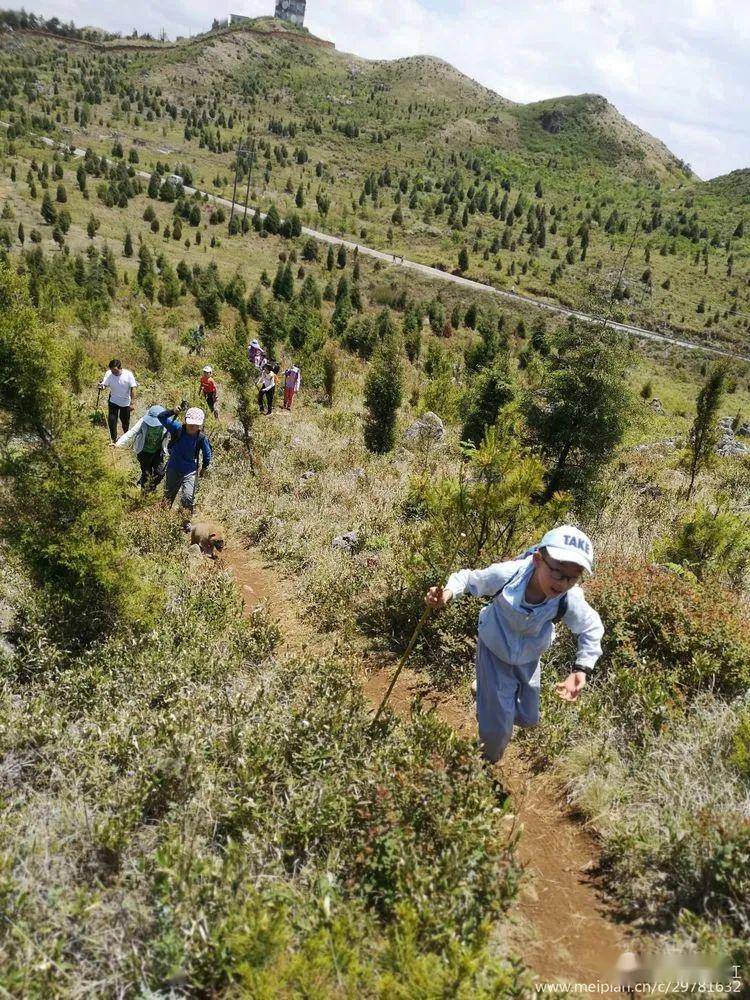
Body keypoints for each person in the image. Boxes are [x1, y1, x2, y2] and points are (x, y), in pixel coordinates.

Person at [425, 525, 603, 764]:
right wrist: (446, 594)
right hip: (494, 651)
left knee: (529, 718)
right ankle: (483, 767)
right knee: (498, 730)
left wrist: (581, 669)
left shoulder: (568, 599)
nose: (563, 583)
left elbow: (591, 628)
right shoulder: (509, 575)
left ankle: (483, 691)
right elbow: (467, 579)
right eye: (558, 573)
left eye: (572, 578)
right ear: (538, 560)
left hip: (528, 658)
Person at [157, 404, 212, 527]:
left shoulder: (201, 438)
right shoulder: (177, 429)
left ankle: (185, 522)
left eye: (196, 424)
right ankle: (162, 521)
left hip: (190, 471)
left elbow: (207, 454)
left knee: (188, 497)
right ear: (185, 421)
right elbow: (161, 417)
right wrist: (172, 411)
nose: (193, 426)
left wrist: (204, 468)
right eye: (191, 423)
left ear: (200, 425)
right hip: (173, 468)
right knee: (168, 496)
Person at [115, 404, 170, 491]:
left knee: (160, 473)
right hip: (143, 452)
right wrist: (118, 444)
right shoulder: (143, 422)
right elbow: (131, 432)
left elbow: (176, 433)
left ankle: (151, 488)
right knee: (146, 474)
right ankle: (144, 495)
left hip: (157, 452)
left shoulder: (166, 424)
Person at [99, 359, 138, 442]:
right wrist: (101, 387)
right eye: (112, 370)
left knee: (125, 422)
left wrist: (132, 403)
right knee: (112, 421)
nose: (113, 373)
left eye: (115, 371)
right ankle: (113, 439)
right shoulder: (109, 373)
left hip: (125, 403)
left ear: (120, 368)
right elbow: (104, 384)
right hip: (113, 401)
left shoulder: (128, 375)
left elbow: (133, 389)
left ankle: (125, 438)